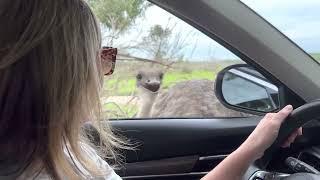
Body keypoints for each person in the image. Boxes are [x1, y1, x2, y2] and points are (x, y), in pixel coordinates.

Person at [0, 0, 301, 179]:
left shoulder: (59, 150)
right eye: (102, 59)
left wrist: (252, 147)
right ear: (64, 74)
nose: (103, 76)